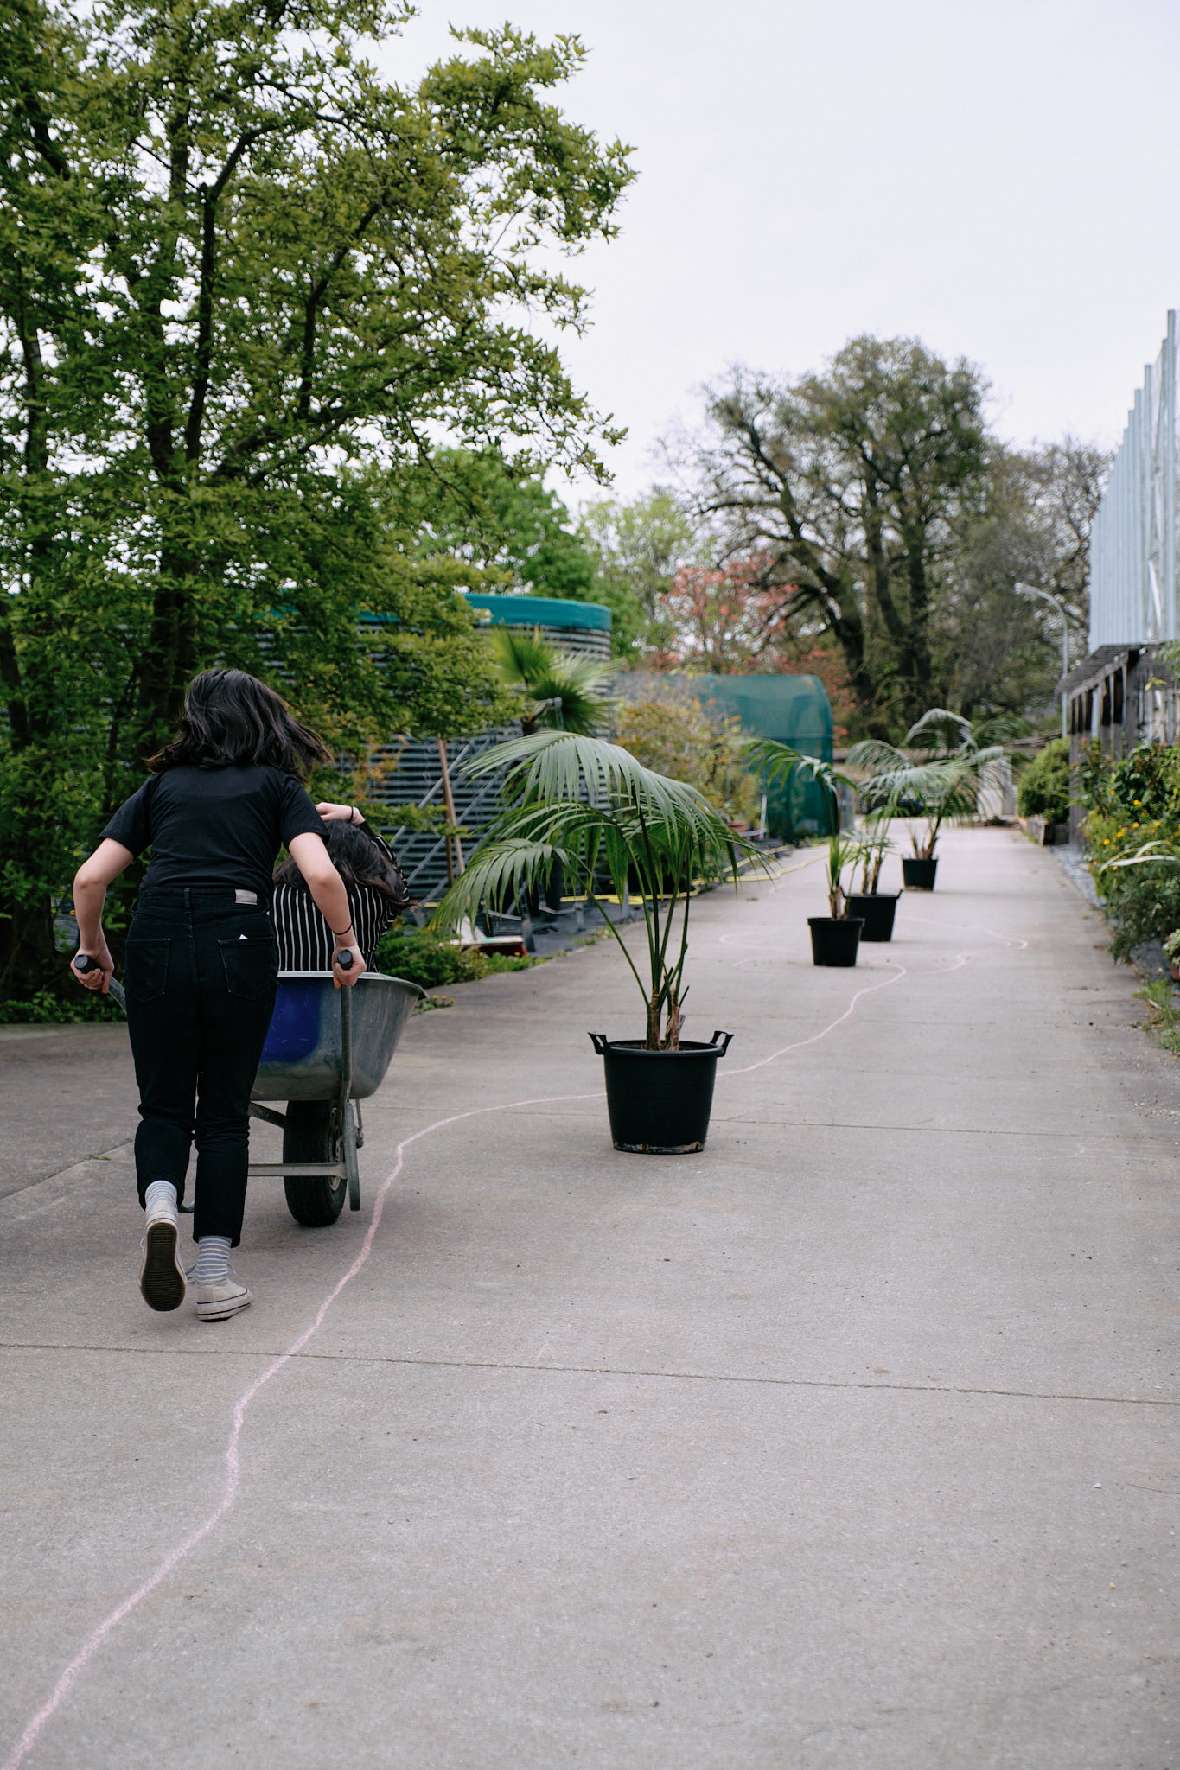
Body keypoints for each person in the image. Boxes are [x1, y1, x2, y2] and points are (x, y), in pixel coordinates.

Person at [70, 669, 364, 1324]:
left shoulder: (161, 788)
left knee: (163, 1106)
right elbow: (318, 871)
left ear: (197, 720)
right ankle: (211, 1276)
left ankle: (163, 1206)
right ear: (262, 719)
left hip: (156, 939)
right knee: (225, 1114)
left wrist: (93, 947)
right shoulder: (276, 786)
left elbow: (90, 878)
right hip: (238, 940)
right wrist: (345, 941)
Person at [272, 807, 410, 968]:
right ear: (365, 855)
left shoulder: (273, 896)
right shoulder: (377, 897)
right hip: (355, 990)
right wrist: (358, 819)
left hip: (288, 991)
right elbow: (396, 880)